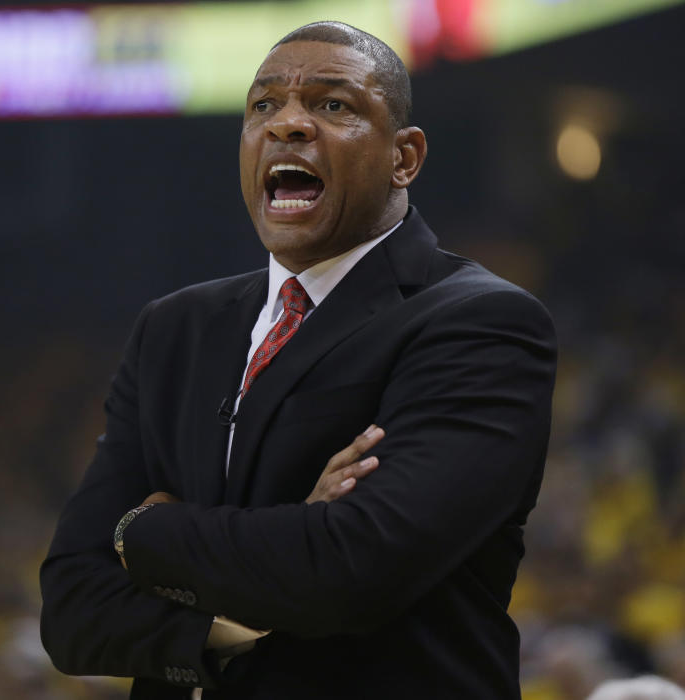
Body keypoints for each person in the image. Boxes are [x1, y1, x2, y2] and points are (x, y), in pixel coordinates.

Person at [40, 20, 557, 700]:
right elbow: (73, 610)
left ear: (405, 157)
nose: (287, 124)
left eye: (332, 105)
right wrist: (238, 618)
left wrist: (144, 530)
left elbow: (349, 570)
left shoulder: (479, 322)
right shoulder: (175, 329)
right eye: (263, 106)